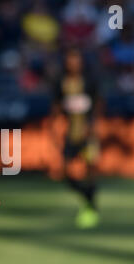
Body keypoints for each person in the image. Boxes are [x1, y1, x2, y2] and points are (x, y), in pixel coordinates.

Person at [50, 48, 101, 229]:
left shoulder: (89, 80)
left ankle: (91, 207)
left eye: (76, 59)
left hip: (87, 135)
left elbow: (98, 105)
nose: (73, 63)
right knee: (66, 173)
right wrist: (56, 130)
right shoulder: (61, 82)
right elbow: (56, 108)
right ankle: (87, 198)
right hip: (69, 135)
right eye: (70, 59)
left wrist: (94, 129)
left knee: (89, 172)